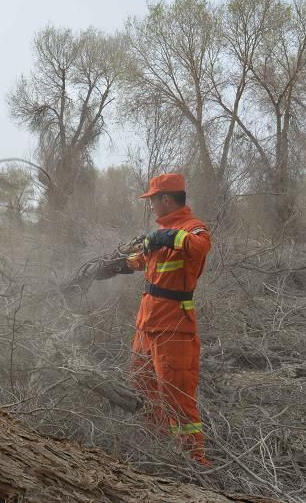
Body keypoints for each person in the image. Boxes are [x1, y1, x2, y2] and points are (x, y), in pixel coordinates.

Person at [124, 173, 212, 465]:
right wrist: (116, 263)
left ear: (166, 199)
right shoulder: (157, 235)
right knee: (141, 389)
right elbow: (139, 262)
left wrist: (167, 236)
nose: (150, 205)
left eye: (152, 200)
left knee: (176, 398)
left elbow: (200, 247)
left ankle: (195, 466)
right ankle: (157, 454)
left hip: (174, 329)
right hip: (146, 327)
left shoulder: (192, 229)